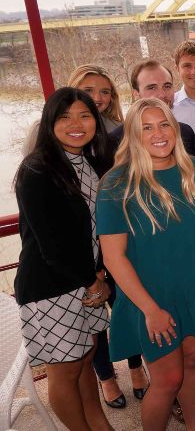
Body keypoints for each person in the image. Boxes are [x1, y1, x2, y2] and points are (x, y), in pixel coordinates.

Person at [97, 98, 195, 431]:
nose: (158, 133)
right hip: (151, 296)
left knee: (194, 360)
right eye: (146, 127)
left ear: (175, 127)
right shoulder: (116, 184)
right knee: (168, 379)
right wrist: (150, 310)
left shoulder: (192, 169)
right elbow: (113, 256)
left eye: (164, 124)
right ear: (133, 135)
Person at [14, 88, 114, 431]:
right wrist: (92, 280)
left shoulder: (87, 161)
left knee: (85, 360)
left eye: (84, 116)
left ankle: (100, 424)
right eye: (65, 117)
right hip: (51, 288)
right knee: (64, 369)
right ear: (49, 123)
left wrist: (97, 272)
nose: (76, 124)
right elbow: (51, 245)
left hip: (86, 280)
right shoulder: (37, 169)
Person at [108, 59, 195, 157]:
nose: (162, 94)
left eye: (167, 86)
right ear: (136, 94)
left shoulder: (185, 133)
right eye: (152, 88)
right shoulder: (117, 140)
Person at [67, 64, 124, 132]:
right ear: (73, 91)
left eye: (105, 92)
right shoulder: (55, 128)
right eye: (88, 90)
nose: (97, 98)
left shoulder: (121, 131)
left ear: (112, 97)